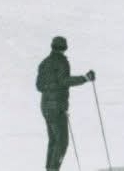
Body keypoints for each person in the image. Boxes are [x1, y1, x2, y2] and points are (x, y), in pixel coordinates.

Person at [35, 35, 94, 171]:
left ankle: (49, 169)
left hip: (45, 107)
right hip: (57, 108)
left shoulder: (44, 63)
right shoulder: (62, 62)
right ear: (64, 48)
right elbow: (64, 81)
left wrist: (51, 87)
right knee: (62, 143)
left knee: (53, 140)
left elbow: (38, 86)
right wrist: (85, 78)